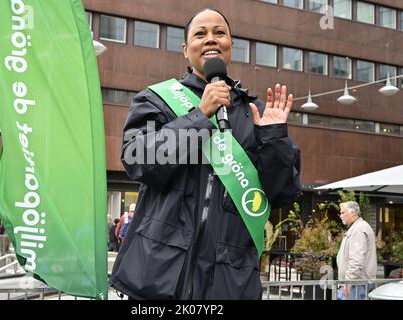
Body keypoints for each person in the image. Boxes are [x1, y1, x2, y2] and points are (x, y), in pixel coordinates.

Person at [110, 8, 300, 300]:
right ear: (186, 49)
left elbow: (283, 194)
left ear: (231, 46)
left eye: (219, 33)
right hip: (157, 277)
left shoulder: (258, 114)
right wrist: (200, 116)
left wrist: (274, 138)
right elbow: (139, 161)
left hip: (229, 280)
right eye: (200, 34)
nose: (211, 39)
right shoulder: (156, 99)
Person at [337, 201, 377, 300]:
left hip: (355, 285)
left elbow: (356, 260)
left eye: (343, 213)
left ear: (353, 213)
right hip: (356, 284)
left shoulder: (358, 229)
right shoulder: (357, 227)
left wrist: (348, 283)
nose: (340, 216)